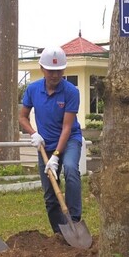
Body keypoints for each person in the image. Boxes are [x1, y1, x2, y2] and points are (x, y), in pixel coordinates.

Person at [19, 46, 84, 234]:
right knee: (49, 192)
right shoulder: (32, 90)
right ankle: (59, 231)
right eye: (50, 71)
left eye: (59, 71)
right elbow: (22, 116)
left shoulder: (71, 92)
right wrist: (33, 133)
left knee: (71, 169)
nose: (55, 75)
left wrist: (56, 155)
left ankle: (74, 220)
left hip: (70, 139)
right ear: (42, 69)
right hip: (44, 143)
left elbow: (66, 127)